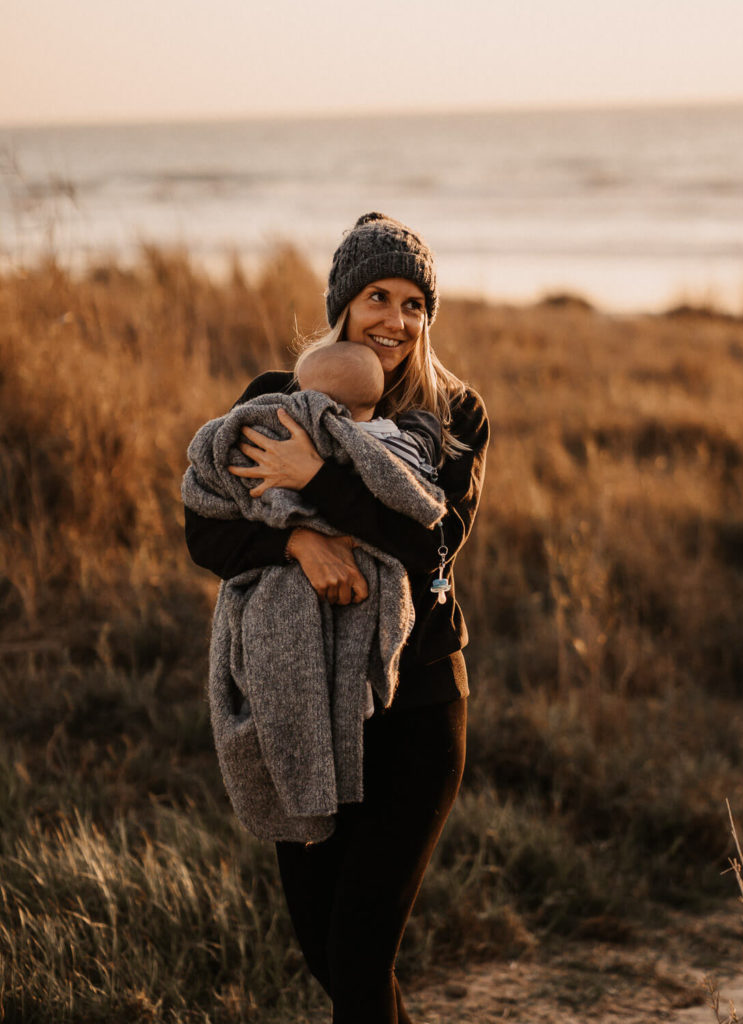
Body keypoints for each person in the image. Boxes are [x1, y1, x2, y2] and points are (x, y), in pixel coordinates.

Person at [184, 211, 490, 1024]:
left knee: (359, 954)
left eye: (415, 304)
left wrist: (319, 479)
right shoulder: (273, 403)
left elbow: (434, 542)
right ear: (342, 305)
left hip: (418, 708)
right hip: (304, 704)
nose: (395, 320)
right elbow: (207, 528)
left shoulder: (454, 418)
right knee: (326, 952)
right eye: (377, 297)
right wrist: (300, 546)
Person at [295, 340, 441, 481]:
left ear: (329, 404)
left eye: (304, 393)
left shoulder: (325, 439)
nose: (297, 397)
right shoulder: (394, 438)